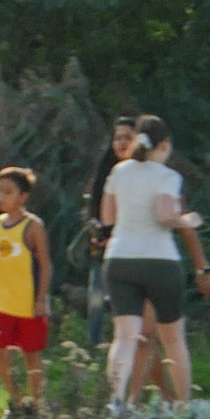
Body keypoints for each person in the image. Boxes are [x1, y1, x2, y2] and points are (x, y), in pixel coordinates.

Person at [101, 116, 210, 408]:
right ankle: (183, 404)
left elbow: (108, 218)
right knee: (173, 338)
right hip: (160, 261)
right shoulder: (167, 176)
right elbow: (164, 215)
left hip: (120, 258)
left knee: (125, 335)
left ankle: (116, 399)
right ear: (164, 145)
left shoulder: (118, 171)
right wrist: (187, 219)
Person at [83, 115, 161, 397]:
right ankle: (126, 396)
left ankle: (154, 395)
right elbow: (98, 214)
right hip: (110, 257)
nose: (121, 143)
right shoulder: (107, 172)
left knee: (145, 333)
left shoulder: (154, 173)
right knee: (126, 331)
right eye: (117, 138)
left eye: (127, 137)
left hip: (146, 258)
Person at [0, 166, 55, 419]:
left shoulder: (32, 226)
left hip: (27, 303)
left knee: (31, 354)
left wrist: (41, 299)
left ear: (23, 196)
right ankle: (16, 403)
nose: (1, 197)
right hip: (1, 301)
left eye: (8, 191)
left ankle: (37, 406)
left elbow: (46, 265)